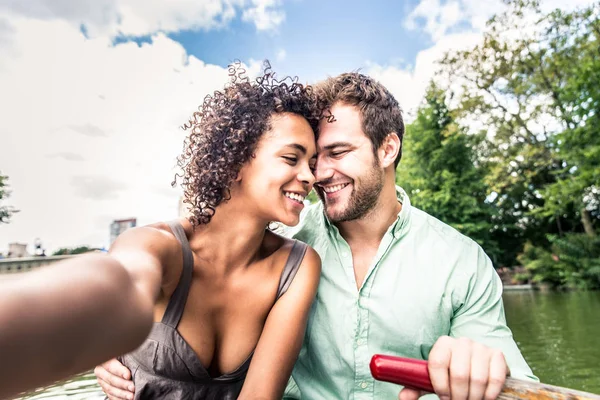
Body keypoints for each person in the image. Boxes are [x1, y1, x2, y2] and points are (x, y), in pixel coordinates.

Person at [96, 72, 537, 400]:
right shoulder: (287, 237)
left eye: (337, 153)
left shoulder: (460, 261)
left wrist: (483, 369)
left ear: (388, 149)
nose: (317, 174)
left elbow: (518, 383)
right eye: (307, 157)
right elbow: (193, 242)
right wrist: (105, 335)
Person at [0, 63, 322, 400]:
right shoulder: (156, 246)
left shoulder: (298, 266)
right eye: (291, 158)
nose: (309, 176)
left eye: (311, 163)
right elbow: (118, 285)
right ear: (235, 163)